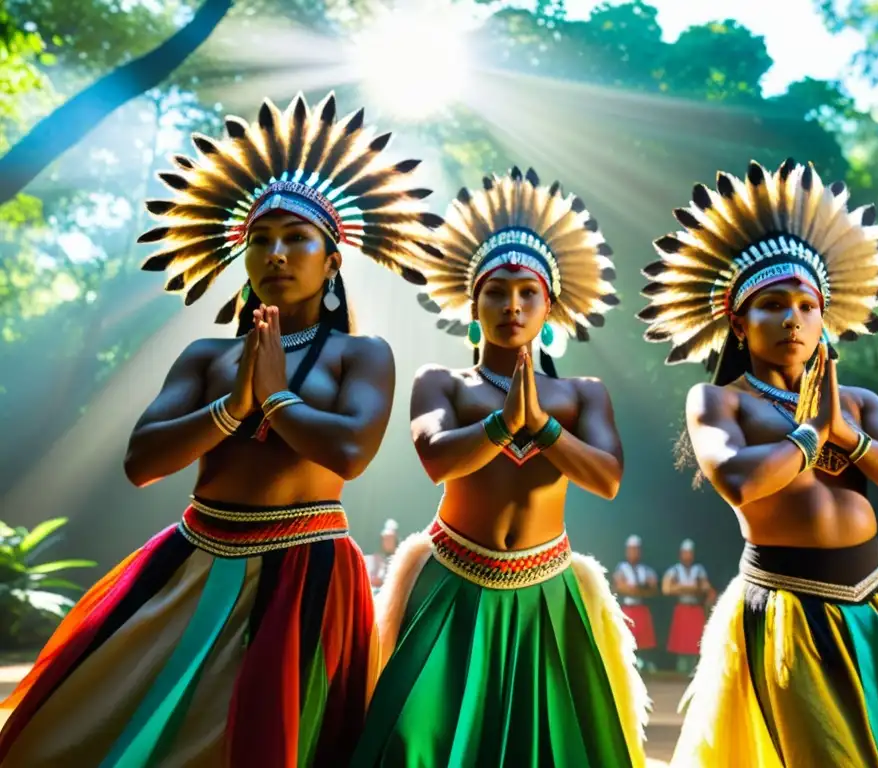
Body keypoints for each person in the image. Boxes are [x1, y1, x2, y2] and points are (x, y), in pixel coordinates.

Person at [0, 92, 441, 767]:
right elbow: (142, 461)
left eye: (298, 239)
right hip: (191, 559)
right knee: (94, 726)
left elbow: (349, 453)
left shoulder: (364, 353)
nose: (277, 253)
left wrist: (274, 398)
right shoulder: (207, 356)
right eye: (260, 240)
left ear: (332, 264)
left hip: (307, 570)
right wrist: (232, 409)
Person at [638, 158, 878, 766]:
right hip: (787, 604)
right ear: (738, 320)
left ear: (824, 317)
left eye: (805, 304)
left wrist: (849, 436)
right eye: (771, 304)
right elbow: (737, 481)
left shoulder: (860, 404)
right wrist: (814, 434)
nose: (792, 317)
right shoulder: (716, 400)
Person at [351, 167, 648, 767]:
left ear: (550, 307)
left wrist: (540, 426)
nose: (511, 305)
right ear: (473, 302)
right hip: (451, 585)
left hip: (548, 593)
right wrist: (501, 423)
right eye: (496, 291)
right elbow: (436, 457)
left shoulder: (583, 394)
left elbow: (607, 479)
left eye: (527, 292)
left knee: (552, 750)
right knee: (414, 743)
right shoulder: (441, 381)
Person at [661, 539, 714, 678]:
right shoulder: (674, 570)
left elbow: (705, 587)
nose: (688, 556)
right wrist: (690, 588)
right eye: (685, 553)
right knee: (682, 644)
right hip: (682, 609)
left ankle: (695, 673)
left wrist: (683, 588)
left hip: (695, 609)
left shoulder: (699, 570)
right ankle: (681, 674)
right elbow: (667, 589)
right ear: (680, 554)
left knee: (696, 643)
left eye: (690, 553)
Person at [612, 535, 660, 671]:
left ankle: (643, 664)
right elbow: (620, 587)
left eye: (636, 550)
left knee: (643, 641)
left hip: (641, 608)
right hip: (627, 608)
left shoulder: (646, 570)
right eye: (631, 550)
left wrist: (634, 589)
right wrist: (640, 589)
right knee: (626, 639)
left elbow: (653, 589)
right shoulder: (621, 568)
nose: (633, 553)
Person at [365, 519, 399, 593]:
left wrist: (383, 582)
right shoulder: (374, 559)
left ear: (395, 540)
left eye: (390, 539)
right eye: (385, 539)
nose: (387, 542)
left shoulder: (400, 560)